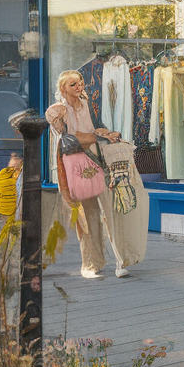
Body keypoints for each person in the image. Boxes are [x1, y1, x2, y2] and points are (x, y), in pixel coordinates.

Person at [46, 70, 148, 279]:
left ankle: (121, 260)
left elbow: (92, 129)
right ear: (63, 88)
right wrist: (93, 136)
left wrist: (105, 134)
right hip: (76, 163)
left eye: (80, 82)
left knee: (112, 208)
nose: (79, 87)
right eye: (73, 84)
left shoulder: (86, 103)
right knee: (87, 214)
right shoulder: (58, 110)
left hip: (97, 157)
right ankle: (91, 264)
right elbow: (72, 137)